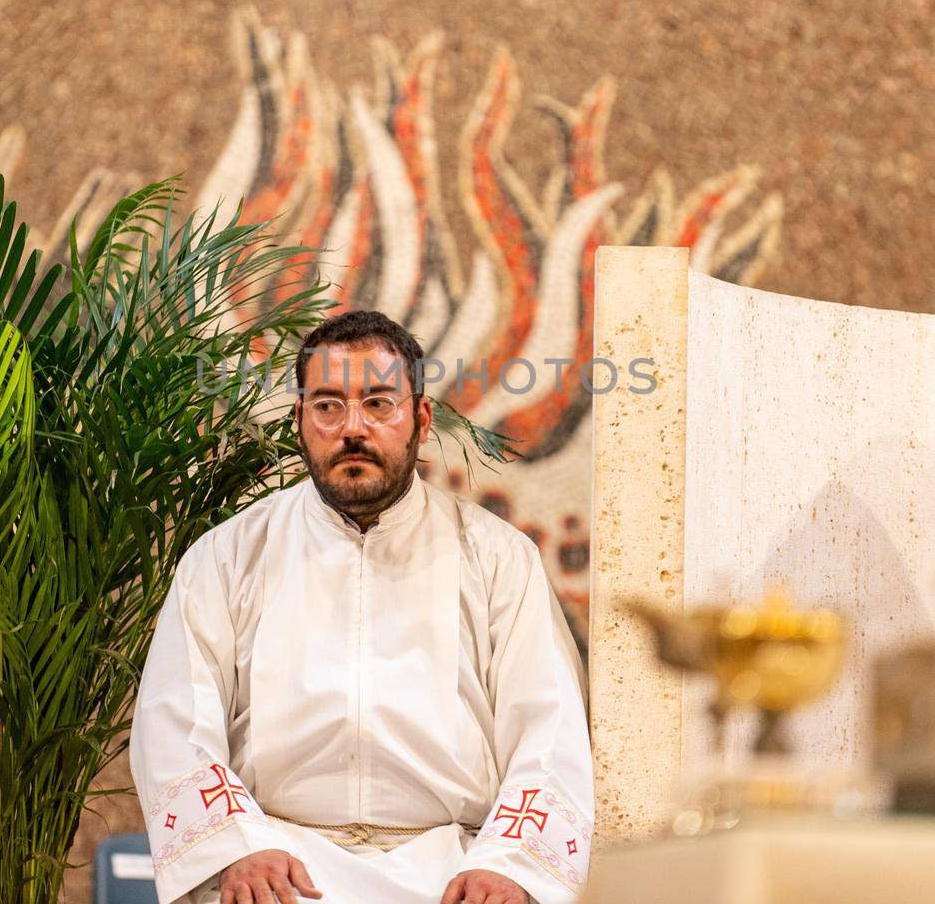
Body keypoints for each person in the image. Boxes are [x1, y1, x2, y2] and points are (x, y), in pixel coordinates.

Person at [130, 309, 593, 904]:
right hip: (276, 870)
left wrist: (509, 865)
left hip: (456, 869)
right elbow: (175, 722)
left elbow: (548, 727)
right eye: (327, 405)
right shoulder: (227, 556)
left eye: (378, 404)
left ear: (419, 418)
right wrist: (237, 848)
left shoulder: (500, 558)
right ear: (300, 420)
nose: (353, 427)